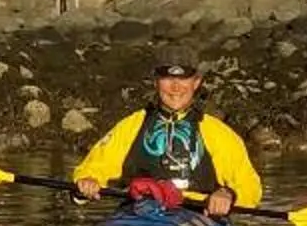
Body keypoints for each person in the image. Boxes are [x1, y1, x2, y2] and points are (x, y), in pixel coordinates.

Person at [71, 49, 263, 217]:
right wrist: (87, 183)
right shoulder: (132, 126)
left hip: (197, 217)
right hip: (139, 214)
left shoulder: (218, 133)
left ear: (196, 82)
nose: (175, 87)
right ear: (156, 81)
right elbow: (94, 168)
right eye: (168, 78)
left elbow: (250, 188)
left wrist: (228, 195)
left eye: (183, 78)